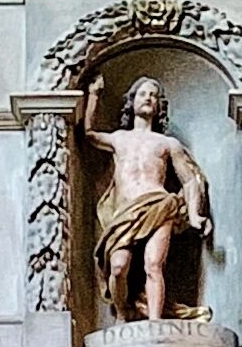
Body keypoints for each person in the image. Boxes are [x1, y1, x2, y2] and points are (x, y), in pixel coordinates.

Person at [83, 74, 212, 319]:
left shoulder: (167, 143)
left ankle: (155, 322)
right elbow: (89, 134)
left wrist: (195, 214)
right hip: (126, 210)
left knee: (154, 265)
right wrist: (94, 95)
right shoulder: (119, 138)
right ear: (131, 102)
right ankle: (122, 313)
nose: (148, 98)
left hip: (159, 205)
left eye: (153, 95)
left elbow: (189, 180)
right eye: (142, 94)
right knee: (118, 266)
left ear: (159, 106)